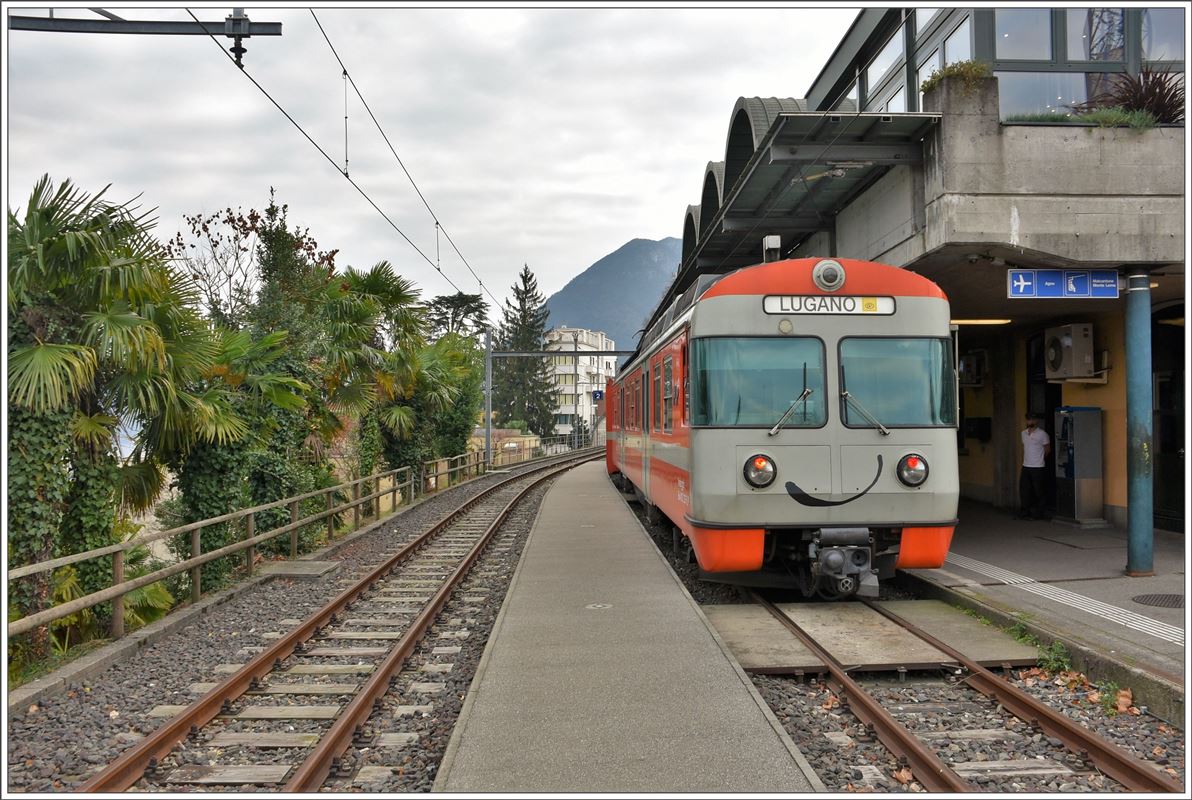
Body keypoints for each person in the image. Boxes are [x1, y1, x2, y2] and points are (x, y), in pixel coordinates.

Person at [1019, 412, 1051, 520]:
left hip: (1038, 466)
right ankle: (1025, 511)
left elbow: (1047, 449)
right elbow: (1024, 448)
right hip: (1026, 465)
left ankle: (1040, 512)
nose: (1030, 422)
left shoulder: (1042, 434)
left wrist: (1040, 458)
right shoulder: (1023, 433)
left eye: (1032, 419)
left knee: (1039, 491)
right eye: (1028, 419)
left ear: (1037, 421)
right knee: (1024, 490)